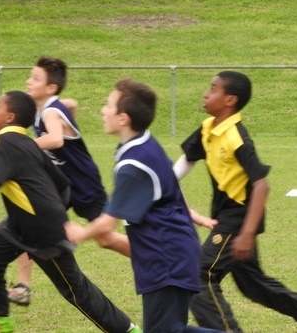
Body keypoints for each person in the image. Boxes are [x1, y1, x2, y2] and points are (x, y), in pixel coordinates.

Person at [0, 90, 142, 333]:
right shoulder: (28, 144)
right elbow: (62, 182)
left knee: (75, 289)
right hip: (21, 223)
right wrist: (55, 211)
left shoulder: (1, 141)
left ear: (9, 117)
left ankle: (126, 329)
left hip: (41, 228)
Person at [173, 71, 297, 333]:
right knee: (252, 284)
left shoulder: (236, 136)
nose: (205, 93)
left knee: (197, 275)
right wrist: (159, 186)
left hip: (237, 219)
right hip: (230, 217)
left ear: (230, 100)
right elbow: (188, 159)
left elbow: (261, 184)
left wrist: (246, 233)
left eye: (213, 89)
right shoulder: (207, 128)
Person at [65, 78, 225, 333]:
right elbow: (168, 185)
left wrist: (78, 234)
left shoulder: (133, 165)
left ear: (123, 118)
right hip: (168, 254)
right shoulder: (142, 144)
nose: (103, 110)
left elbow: (109, 222)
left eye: (108, 105)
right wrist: (191, 214)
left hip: (167, 258)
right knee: (170, 329)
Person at [9, 56, 127, 306]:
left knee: (105, 239)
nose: (29, 81)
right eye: (31, 76)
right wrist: (70, 114)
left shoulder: (51, 111)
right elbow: (70, 103)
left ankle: (155, 260)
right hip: (60, 186)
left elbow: (55, 140)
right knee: (26, 220)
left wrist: (22, 145)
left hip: (85, 184)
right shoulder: (48, 108)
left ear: (51, 88)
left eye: (36, 78)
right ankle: (23, 287)